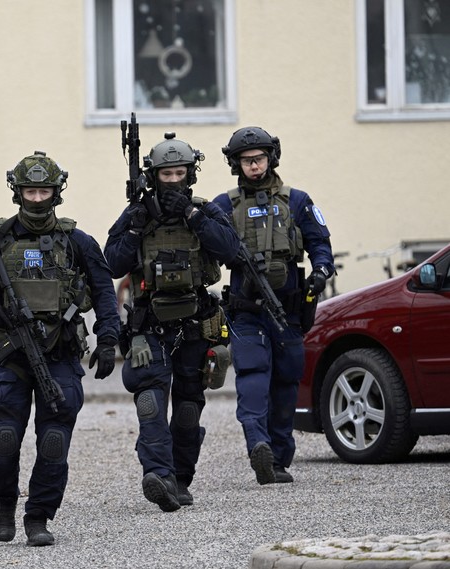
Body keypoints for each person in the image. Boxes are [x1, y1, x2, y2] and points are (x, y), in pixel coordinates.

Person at [0, 151, 119, 546]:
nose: (37, 198)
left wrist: (109, 338)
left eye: (44, 190)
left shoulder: (78, 241)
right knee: (4, 436)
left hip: (59, 353)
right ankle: (6, 501)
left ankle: (39, 516)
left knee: (54, 440)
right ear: (18, 192)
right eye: (30, 190)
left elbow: (104, 292)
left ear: (56, 192)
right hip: (10, 354)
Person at [104, 133, 239, 510]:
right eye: (167, 174)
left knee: (186, 410)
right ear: (153, 175)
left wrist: (193, 217)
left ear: (190, 173)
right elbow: (111, 263)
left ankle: (181, 478)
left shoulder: (204, 210)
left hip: (195, 324)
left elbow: (231, 251)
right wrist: (134, 228)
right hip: (150, 327)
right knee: (149, 403)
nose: (174, 181)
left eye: (180, 172)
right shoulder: (137, 215)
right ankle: (158, 475)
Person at [212, 126, 334, 485]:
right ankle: (258, 444)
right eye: (247, 161)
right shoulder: (224, 205)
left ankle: (279, 459)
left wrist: (321, 271)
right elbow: (207, 250)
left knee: (286, 382)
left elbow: (320, 243)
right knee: (252, 376)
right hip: (247, 310)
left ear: (271, 158)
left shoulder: (297, 200)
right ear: (237, 164)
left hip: (289, 309)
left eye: (260, 158)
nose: (254, 166)